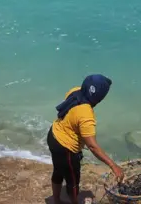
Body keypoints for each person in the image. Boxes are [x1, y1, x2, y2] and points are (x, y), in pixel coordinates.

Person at [47, 74, 124, 204]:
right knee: (73, 182)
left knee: (58, 171)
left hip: (53, 135)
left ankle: (56, 200)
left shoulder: (75, 91)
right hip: (66, 148)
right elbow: (93, 146)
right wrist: (113, 165)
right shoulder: (86, 116)